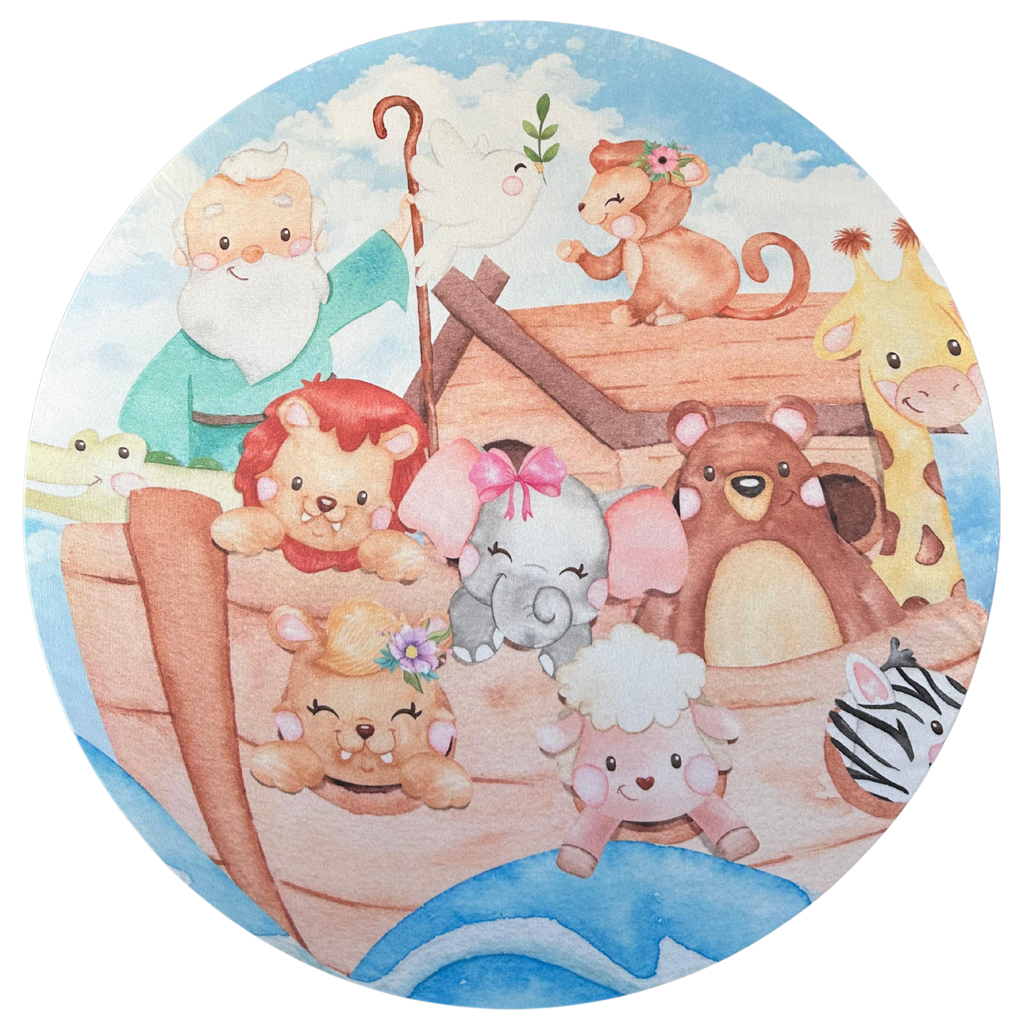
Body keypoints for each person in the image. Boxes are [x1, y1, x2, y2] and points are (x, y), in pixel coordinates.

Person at [119, 142, 412, 469]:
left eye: (283, 235)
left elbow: (360, 276)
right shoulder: (198, 340)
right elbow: (152, 403)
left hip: (315, 459)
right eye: (225, 243)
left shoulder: (307, 310)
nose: (253, 254)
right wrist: (168, 465)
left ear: (316, 239)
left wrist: (405, 223)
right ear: (186, 255)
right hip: (220, 466)